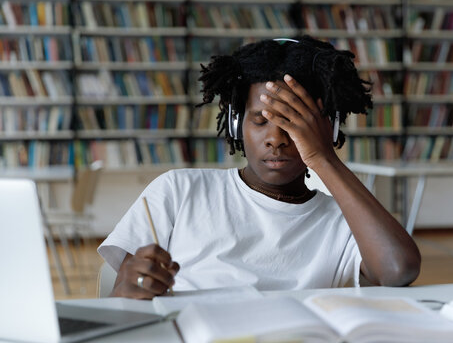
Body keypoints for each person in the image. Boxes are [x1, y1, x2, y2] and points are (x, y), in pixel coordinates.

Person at [98, 36, 421, 299]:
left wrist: (323, 158)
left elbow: (399, 268)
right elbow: (121, 303)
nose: (276, 139)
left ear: (328, 129)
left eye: (294, 123)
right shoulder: (179, 191)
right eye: (261, 120)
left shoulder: (347, 223)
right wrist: (130, 288)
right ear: (237, 123)